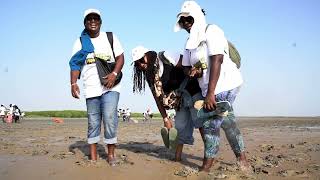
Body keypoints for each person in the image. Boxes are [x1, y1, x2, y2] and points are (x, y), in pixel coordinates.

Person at [174, 1, 251, 172]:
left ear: (198, 17)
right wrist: (193, 72)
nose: (186, 24)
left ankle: (206, 167)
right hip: (208, 88)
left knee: (211, 124)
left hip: (226, 84)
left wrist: (211, 94)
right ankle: (242, 159)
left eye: (189, 20)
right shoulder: (189, 43)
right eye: (183, 21)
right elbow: (186, 67)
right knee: (228, 122)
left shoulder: (212, 31)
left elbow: (217, 59)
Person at [69, 8, 124, 166]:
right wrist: (73, 83)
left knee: (110, 118)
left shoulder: (110, 37)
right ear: (85, 23)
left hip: (111, 87)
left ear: (100, 22)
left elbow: (120, 57)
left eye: (96, 19)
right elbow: (75, 64)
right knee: (93, 122)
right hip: (91, 87)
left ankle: (111, 155)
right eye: (89, 19)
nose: (93, 21)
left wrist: (114, 74)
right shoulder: (80, 42)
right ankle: (93, 157)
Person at [131, 46, 204, 161]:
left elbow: (188, 67)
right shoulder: (149, 75)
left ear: (148, 55)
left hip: (193, 90)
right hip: (179, 100)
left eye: (141, 60)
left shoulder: (167, 56)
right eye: (136, 64)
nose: (140, 65)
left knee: (201, 124)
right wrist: (165, 119)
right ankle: (177, 158)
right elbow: (157, 98)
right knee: (180, 127)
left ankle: (209, 156)